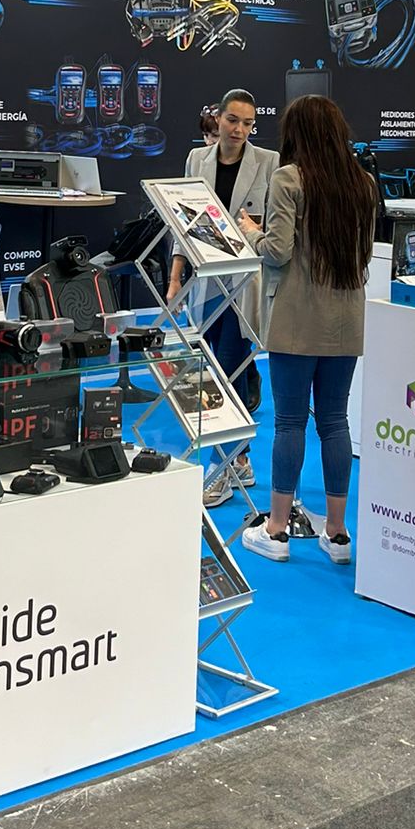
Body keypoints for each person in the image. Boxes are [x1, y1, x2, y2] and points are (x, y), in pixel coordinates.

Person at [236, 95, 377, 567]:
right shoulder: (364, 183)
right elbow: (363, 256)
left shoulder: (288, 179)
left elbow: (276, 251)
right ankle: (337, 533)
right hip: (346, 318)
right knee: (334, 421)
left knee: (290, 422)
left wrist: (249, 231)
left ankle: (276, 528)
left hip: (296, 317)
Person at [169, 89, 278, 508]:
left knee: (229, 371)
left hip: (244, 284)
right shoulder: (196, 160)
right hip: (204, 283)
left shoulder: (269, 162)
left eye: (248, 123)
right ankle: (241, 460)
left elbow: (273, 229)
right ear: (217, 118)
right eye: (233, 120)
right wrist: (175, 278)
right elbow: (181, 223)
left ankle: (223, 466)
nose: (239, 130)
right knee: (209, 372)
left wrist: (255, 230)